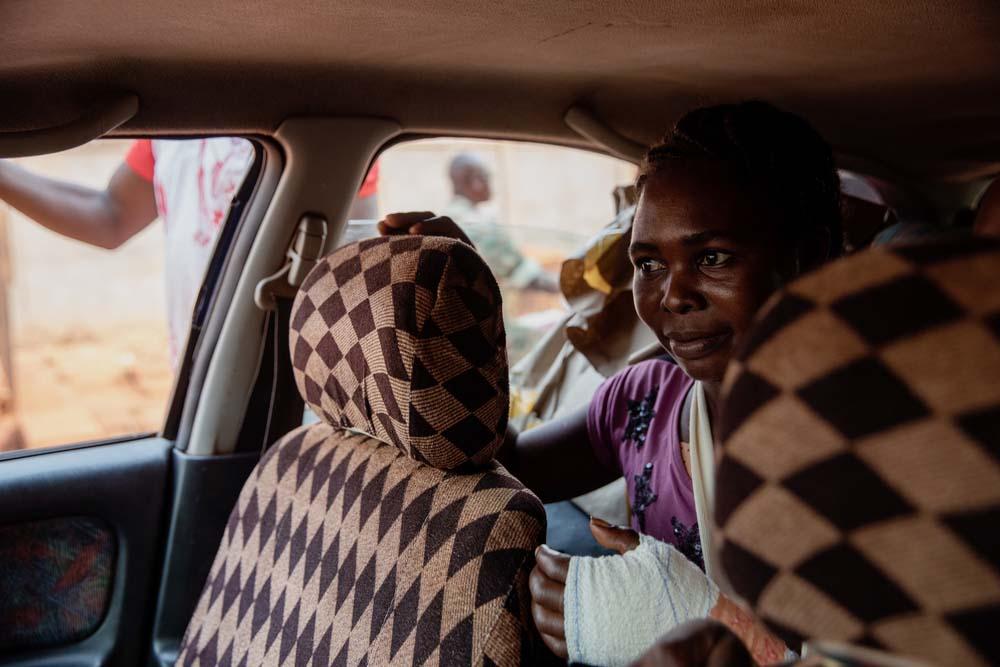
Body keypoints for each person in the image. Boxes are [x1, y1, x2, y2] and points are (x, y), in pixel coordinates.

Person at [379, 100, 842, 664]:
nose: (672, 295)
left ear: (810, 258)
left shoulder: (873, 450)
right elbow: (501, 464)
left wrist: (698, 619)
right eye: (649, 264)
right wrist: (461, 307)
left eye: (714, 257)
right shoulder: (643, 402)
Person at [0, 139, 380, 366]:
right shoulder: (174, 125)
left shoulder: (306, 125)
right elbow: (111, 217)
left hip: (289, 376)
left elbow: (346, 256)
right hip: (201, 377)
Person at [442, 152, 558, 292]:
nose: (490, 183)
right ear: (474, 182)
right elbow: (520, 272)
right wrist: (564, 285)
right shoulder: (477, 225)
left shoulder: (446, 218)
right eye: (486, 177)